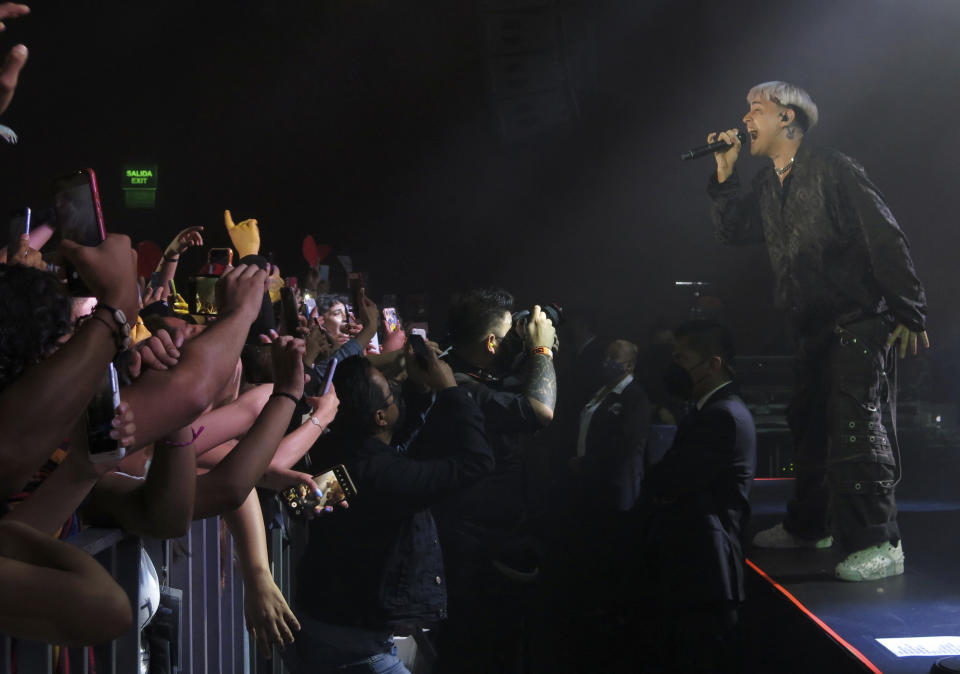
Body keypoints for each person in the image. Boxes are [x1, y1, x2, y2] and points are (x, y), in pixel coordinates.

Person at [706, 81, 929, 581]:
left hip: (857, 320)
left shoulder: (834, 168)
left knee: (855, 428)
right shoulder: (769, 184)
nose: (746, 119)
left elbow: (884, 235)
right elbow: (732, 231)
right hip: (810, 327)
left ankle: (880, 542)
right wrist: (725, 173)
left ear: (787, 118)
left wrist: (909, 310)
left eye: (756, 109)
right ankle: (811, 524)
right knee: (807, 427)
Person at [287, 350, 494, 674]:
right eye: (391, 394)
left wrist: (419, 389)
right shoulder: (383, 476)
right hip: (355, 648)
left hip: (325, 625)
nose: (396, 395)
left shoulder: (346, 461)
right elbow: (476, 462)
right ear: (379, 417)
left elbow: (299, 504)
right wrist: (450, 389)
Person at [640, 320, 756, 673]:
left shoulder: (720, 416)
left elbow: (671, 478)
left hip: (705, 573)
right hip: (698, 570)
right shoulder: (712, 411)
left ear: (713, 364)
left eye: (682, 357)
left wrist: (659, 482)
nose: (675, 365)